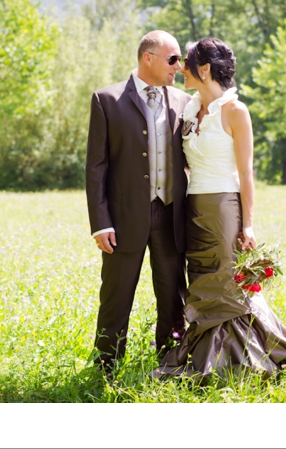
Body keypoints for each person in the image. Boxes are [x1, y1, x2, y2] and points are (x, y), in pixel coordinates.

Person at [154, 38, 286, 379]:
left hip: (223, 209)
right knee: (202, 280)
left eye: (186, 62)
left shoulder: (235, 111)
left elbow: (247, 174)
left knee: (226, 285)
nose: (181, 68)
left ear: (204, 69)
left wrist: (248, 225)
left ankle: (245, 357)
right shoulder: (190, 108)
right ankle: (209, 355)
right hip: (192, 209)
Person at [85, 30, 193, 371]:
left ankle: (170, 362)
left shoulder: (183, 102)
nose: (179, 66)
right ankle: (107, 366)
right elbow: (96, 167)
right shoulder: (107, 100)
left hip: (170, 215)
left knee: (172, 297)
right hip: (123, 218)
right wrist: (100, 222)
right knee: (116, 297)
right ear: (148, 58)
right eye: (173, 59)